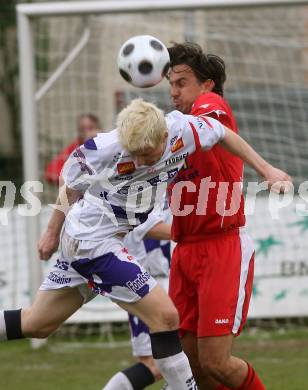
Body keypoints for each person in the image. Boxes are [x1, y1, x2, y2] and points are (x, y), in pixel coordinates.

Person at [0, 99, 289, 389]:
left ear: (165, 136)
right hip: (92, 242)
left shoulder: (183, 129)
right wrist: (52, 231)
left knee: (37, 324)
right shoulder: (103, 148)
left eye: (146, 154)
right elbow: (70, 183)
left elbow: (223, 133)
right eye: (134, 154)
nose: (139, 161)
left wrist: (266, 170)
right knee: (165, 316)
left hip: (99, 240)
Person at [167, 42, 270, 389]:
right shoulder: (175, 130)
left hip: (220, 247)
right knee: (192, 362)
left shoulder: (210, 105)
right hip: (185, 250)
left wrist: (266, 168)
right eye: (170, 83)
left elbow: (207, 127)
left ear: (206, 83)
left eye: (181, 82)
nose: (173, 91)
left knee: (217, 361)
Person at [104, 197, 172, 390]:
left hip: (155, 282)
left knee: (173, 360)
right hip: (147, 283)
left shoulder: (166, 186)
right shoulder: (139, 189)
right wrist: (198, 232)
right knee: (158, 363)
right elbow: (151, 228)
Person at [44, 113, 100, 184]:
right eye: (83, 129)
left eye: (91, 128)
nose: (87, 132)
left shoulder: (107, 145)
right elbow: (50, 172)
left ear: (98, 129)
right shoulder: (74, 148)